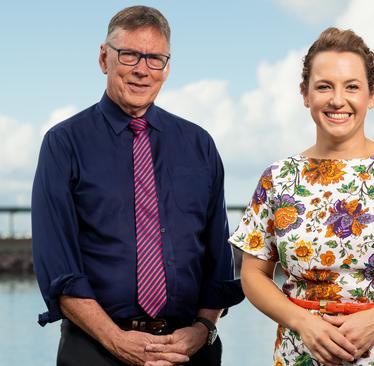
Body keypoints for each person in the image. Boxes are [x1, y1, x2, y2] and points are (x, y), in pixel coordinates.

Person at [228, 27, 374, 366]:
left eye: (352, 86)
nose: (338, 99)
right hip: (300, 353)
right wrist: (302, 323)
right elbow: (253, 274)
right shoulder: (277, 178)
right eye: (324, 86)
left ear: (372, 95)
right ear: (305, 94)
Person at [32, 6, 243, 366]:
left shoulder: (199, 145)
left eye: (155, 58)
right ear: (104, 58)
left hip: (189, 350)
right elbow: (59, 268)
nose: (142, 69)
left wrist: (203, 328)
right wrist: (116, 340)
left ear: (168, 67)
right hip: (95, 350)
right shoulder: (64, 143)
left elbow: (218, 261)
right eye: (129, 55)